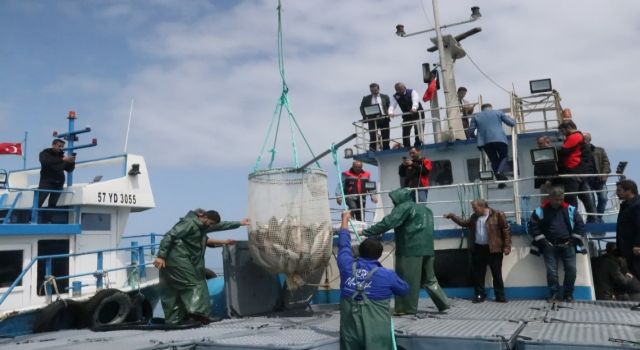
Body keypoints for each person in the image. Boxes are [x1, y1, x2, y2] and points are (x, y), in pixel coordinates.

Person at [362, 187, 450, 314]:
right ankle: (443, 303)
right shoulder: (427, 210)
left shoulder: (404, 207)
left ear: (399, 198)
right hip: (428, 249)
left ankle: (406, 309)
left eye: (394, 199)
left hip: (409, 250)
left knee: (407, 280)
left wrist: (366, 232)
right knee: (430, 279)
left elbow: (388, 223)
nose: (393, 202)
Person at [153, 209, 249, 325]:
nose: (211, 226)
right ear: (204, 217)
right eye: (211, 223)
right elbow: (170, 235)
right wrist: (160, 256)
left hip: (176, 260)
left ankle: (174, 319)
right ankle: (198, 315)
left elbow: (217, 229)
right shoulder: (190, 223)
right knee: (194, 285)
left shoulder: (200, 227)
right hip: (177, 259)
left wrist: (239, 224)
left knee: (171, 290)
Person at [337, 211, 409, 349]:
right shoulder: (387, 275)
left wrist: (345, 219)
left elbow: (343, 244)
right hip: (377, 337)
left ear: (359, 251)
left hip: (350, 334)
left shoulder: (346, 265)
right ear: (379, 255)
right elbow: (405, 290)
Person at [443, 200, 512, 303]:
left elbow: (506, 230)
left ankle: (500, 295)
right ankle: (480, 295)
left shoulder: (498, 214)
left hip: (494, 249)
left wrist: (507, 246)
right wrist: (452, 216)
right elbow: (464, 223)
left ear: (482, 207)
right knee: (479, 274)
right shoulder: (475, 217)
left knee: (496, 273)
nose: (474, 210)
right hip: (479, 248)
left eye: (475, 208)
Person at [529, 187, 586, 302]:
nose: (559, 202)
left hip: (568, 245)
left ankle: (568, 294)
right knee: (551, 272)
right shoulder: (540, 210)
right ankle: (554, 294)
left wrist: (573, 241)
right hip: (549, 245)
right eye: (556, 200)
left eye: (561, 199)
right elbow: (533, 226)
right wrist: (543, 241)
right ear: (549, 198)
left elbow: (580, 224)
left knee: (572, 270)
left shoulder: (570, 209)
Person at [468, 103, 516, 188]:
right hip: (500, 139)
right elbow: (511, 123)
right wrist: (514, 120)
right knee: (504, 157)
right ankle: (499, 172)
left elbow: (470, 131)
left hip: (485, 142)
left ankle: (500, 182)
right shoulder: (498, 113)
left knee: (494, 160)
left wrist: (476, 138)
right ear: (491, 107)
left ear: (482, 109)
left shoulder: (476, 116)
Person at [557, 120, 596, 223]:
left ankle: (573, 220)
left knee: (571, 197)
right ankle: (592, 218)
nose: (562, 133)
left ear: (569, 128)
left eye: (563, 130)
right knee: (583, 195)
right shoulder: (578, 136)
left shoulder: (575, 136)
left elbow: (564, 150)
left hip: (573, 170)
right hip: (578, 170)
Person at [38, 139, 75, 220]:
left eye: (62, 147)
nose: (61, 148)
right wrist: (62, 160)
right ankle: (32, 219)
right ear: (53, 145)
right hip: (46, 182)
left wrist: (72, 162)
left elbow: (69, 170)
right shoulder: (44, 153)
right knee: (39, 201)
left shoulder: (62, 156)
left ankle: (47, 221)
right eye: (59, 146)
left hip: (58, 184)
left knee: (52, 204)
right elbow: (46, 162)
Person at [583, 133, 611, 223]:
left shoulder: (600, 150)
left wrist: (604, 174)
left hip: (599, 180)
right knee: (591, 201)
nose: (583, 141)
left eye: (585, 139)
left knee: (603, 198)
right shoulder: (579, 153)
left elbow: (606, 163)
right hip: (586, 180)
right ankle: (594, 219)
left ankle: (598, 217)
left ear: (590, 139)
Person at [389, 82, 423, 149]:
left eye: (400, 89)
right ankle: (407, 147)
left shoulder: (412, 92)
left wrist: (414, 108)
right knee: (405, 131)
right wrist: (390, 112)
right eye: (397, 90)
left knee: (418, 130)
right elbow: (392, 105)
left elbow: (415, 100)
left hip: (417, 113)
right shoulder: (395, 96)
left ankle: (417, 146)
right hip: (407, 115)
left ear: (404, 87)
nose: (398, 91)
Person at [360, 83, 391, 151]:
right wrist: (365, 116)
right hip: (372, 119)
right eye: (372, 91)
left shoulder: (385, 96)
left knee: (385, 135)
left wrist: (389, 113)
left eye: (375, 90)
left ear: (378, 89)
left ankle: (386, 149)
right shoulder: (366, 98)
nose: (374, 92)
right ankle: (372, 149)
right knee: (373, 135)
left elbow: (389, 106)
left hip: (384, 118)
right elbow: (362, 108)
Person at [533, 135, 558, 202]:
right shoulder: (538, 152)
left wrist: (550, 180)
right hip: (542, 181)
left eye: (540, 143)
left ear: (546, 142)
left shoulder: (553, 151)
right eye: (538, 143)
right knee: (544, 203)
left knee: (555, 201)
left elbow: (554, 168)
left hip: (552, 182)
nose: (539, 145)